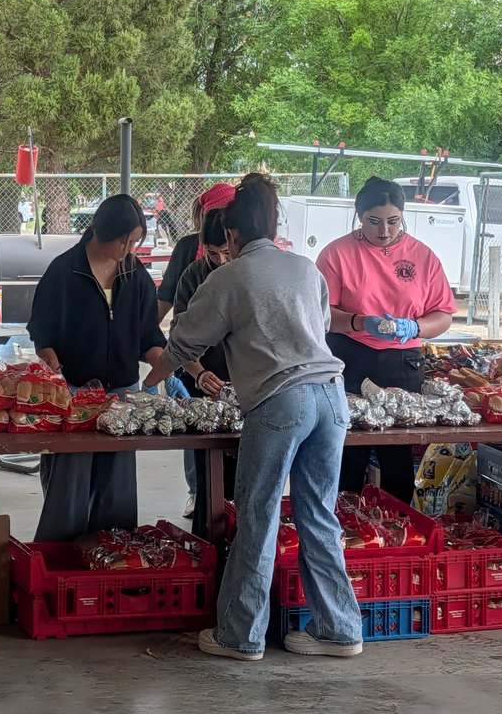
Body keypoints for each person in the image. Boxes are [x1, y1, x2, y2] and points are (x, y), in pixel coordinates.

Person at [144, 173, 362, 662]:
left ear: (233, 236)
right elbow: (321, 326)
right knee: (318, 515)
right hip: (331, 397)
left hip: (280, 401)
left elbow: (182, 344)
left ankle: (240, 636)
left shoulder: (230, 277)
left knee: (259, 517)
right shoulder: (305, 268)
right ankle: (340, 630)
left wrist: (145, 385)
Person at [27, 194, 166, 542]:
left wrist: (165, 364)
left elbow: (148, 334)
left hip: (121, 395)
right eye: (124, 240)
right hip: (73, 394)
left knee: (116, 487)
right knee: (69, 485)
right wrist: (54, 369)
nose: (129, 249)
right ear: (101, 231)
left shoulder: (136, 276)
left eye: (135, 242)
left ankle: (113, 557)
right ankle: (58, 558)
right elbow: (42, 331)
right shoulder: (64, 271)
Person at [316, 176, 457, 504]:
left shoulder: (422, 256)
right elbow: (320, 315)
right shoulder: (337, 254)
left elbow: (444, 315)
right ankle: (345, 530)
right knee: (347, 450)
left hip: (402, 363)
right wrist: (359, 321)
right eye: (374, 221)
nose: (384, 231)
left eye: (393, 221)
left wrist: (415, 327)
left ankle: (398, 530)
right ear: (358, 215)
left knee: (397, 454)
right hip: (350, 355)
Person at [157, 182, 235, 517]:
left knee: (240, 477)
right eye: (213, 253)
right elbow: (179, 331)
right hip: (203, 376)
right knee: (206, 466)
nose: (219, 261)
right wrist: (195, 371)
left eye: (226, 253)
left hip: (246, 384)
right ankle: (202, 507)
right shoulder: (193, 269)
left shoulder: (254, 271)